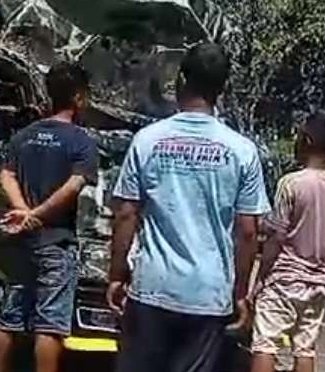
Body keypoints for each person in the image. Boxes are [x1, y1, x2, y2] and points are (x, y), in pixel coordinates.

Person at [107, 42, 271, 372]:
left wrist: (116, 274)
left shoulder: (148, 140)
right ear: (221, 89)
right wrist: (240, 292)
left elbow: (126, 212)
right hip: (208, 296)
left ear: (181, 80)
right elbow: (248, 231)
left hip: (152, 288)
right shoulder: (242, 151)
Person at [0, 63, 98, 372]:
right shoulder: (81, 141)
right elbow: (74, 185)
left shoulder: (24, 136)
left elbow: (5, 174)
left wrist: (22, 210)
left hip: (23, 240)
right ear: (78, 96)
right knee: (50, 325)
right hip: (56, 240)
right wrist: (36, 214)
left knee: (10, 317)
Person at [250, 113, 325, 372]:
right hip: (317, 282)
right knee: (305, 347)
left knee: (265, 344)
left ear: (306, 139)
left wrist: (260, 278)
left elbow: (277, 237)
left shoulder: (291, 183)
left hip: (284, 279)